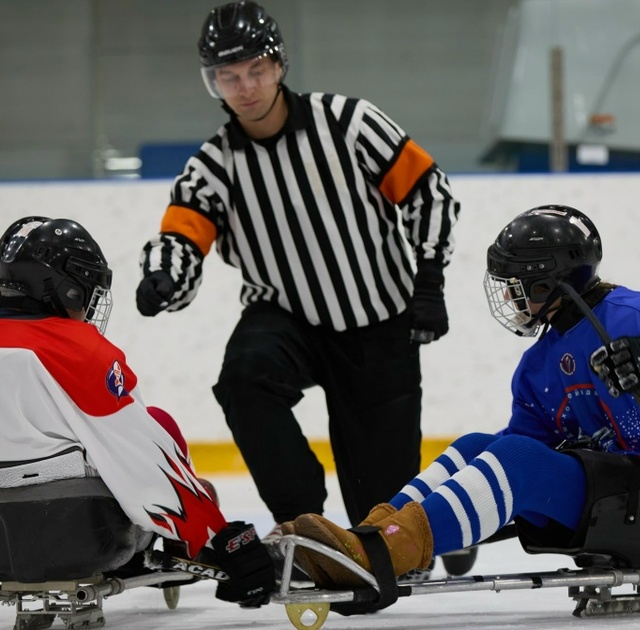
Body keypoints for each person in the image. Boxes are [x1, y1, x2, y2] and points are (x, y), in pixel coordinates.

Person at [289, 204, 640, 590]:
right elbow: (522, 453)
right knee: (478, 446)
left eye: (517, 287)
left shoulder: (638, 317)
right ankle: (373, 534)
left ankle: (386, 552)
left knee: (514, 457)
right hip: (611, 500)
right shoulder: (538, 365)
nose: (510, 299)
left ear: (548, 284)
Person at [134, 0, 461, 532]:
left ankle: (427, 526)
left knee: (380, 521)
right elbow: (183, 231)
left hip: (379, 319)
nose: (245, 87)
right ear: (212, 83)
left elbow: (429, 192)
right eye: (228, 76)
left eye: (255, 70)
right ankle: (299, 517)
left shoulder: (350, 123)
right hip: (284, 317)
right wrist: (165, 277)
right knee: (244, 380)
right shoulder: (214, 164)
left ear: (279, 66)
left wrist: (429, 278)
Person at [0, 216, 275, 607]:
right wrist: (217, 537)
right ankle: (163, 547)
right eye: (86, 286)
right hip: (90, 540)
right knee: (159, 422)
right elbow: (144, 455)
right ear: (65, 286)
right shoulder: (77, 349)